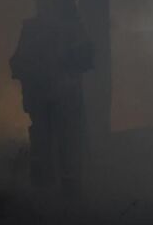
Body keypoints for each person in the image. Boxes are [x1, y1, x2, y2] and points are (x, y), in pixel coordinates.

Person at [9, 13, 93, 197]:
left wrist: (66, 62)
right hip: (43, 98)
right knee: (44, 141)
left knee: (66, 142)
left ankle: (67, 193)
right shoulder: (33, 28)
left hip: (63, 98)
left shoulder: (71, 26)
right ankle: (44, 192)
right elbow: (17, 63)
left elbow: (86, 59)